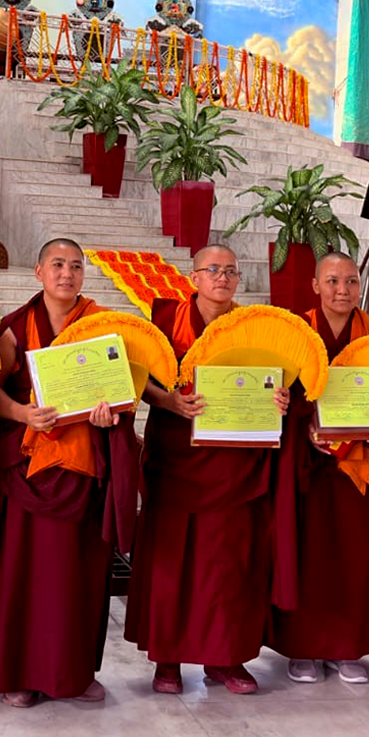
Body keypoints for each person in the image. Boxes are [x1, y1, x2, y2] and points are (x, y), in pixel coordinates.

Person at [0, 238, 138, 707]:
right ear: (38, 272)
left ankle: (72, 672)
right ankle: (16, 673)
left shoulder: (103, 327)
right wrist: (21, 414)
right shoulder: (16, 328)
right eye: (57, 264)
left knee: (77, 577)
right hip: (28, 469)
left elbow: (120, 394)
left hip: (83, 470)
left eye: (75, 266)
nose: (67, 273)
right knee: (20, 573)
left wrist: (111, 416)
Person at [126, 244, 288, 696]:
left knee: (228, 563)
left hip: (236, 462)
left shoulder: (255, 327)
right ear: (193, 276)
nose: (222, 277)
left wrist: (281, 400)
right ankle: (168, 659)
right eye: (213, 270)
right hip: (178, 460)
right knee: (172, 562)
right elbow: (141, 381)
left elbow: (275, 380)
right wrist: (169, 401)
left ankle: (226, 658)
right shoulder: (165, 320)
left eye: (231, 271)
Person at [268, 251, 369, 686]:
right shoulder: (295, 331)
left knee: (355, 554)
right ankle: (303, 648)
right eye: (333, 281)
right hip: (308, 463)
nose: (343, 291)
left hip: (358, 464)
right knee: (307, 551)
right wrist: (299, 422)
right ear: (316, 286)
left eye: (351, 282)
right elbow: (279, 388)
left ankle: (347, 647)